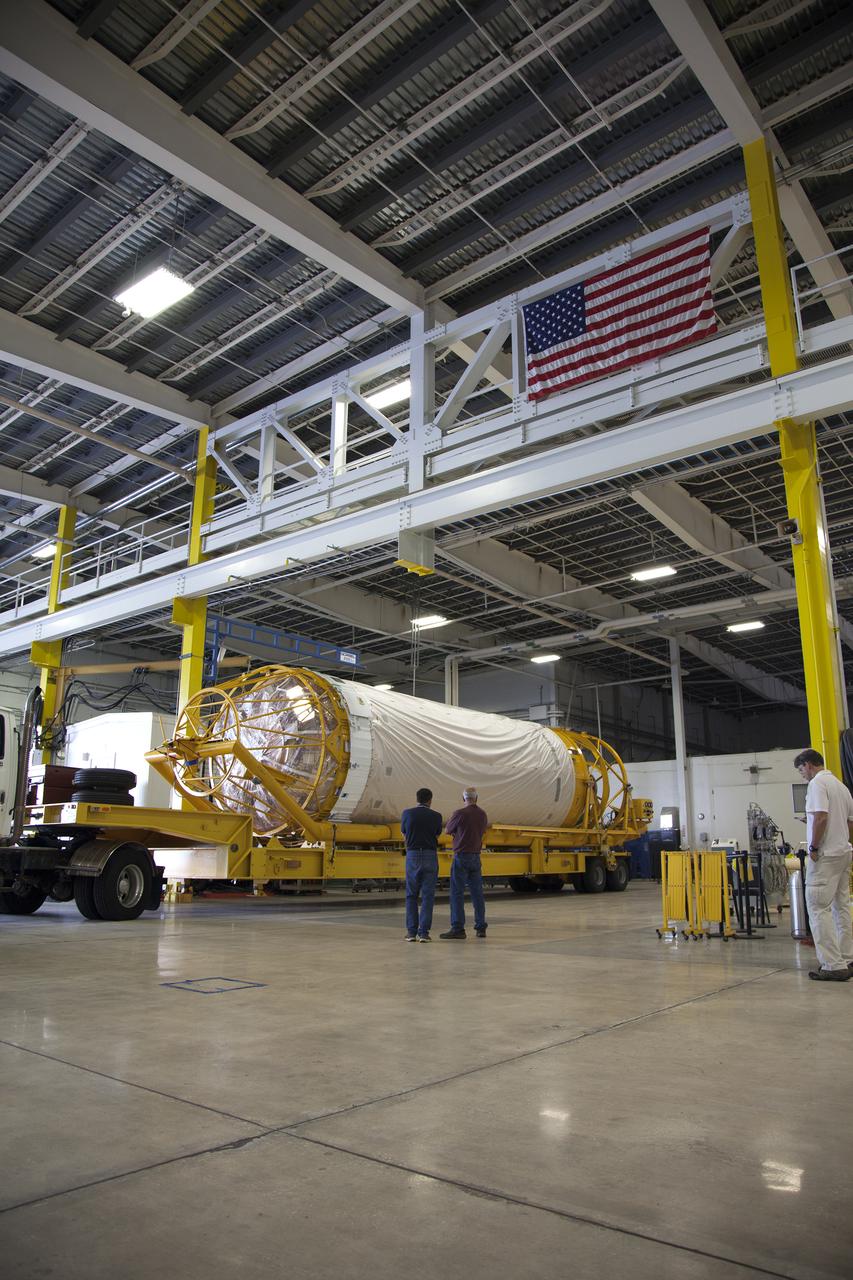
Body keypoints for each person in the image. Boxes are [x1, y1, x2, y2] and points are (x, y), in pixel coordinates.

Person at [794, 748, 853, 982]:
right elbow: (849, 822)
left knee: (818, 908)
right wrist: (842, 842)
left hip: (825, 856)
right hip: (843, 853)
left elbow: (820, 816)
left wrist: (815, 847)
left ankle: (832, 965)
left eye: (801, 770)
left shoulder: (818, 784)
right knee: (842, 906)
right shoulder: (841, 786)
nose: (802, 775)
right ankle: (847, 958)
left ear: (808, 765)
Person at [440, 787, 489, 940]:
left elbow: (448, 830)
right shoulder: (482, 814)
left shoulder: (459, 813)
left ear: (463, 798)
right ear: (477, 798)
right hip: (476, 857)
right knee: (477, 894)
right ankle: (481, 927)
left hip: (461, 857)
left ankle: (458, 928)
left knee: (457, 893)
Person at [400, 787, 443, 942]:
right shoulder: (437, 816)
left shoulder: (407, 813)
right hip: (430, 855)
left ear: (417, 799)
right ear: (430, 800)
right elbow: (437, 834)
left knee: (411, 895)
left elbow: (403, 833)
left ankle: (411, 933)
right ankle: (424, 933)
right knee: (428, 896)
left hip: (412, 856)